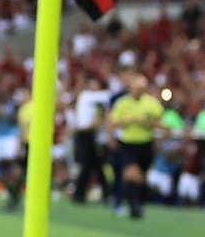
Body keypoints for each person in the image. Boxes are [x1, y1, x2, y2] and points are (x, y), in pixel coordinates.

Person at [107, 73, 163, 220]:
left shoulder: (151, 103)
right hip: (128, 143)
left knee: (141, 177)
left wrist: (147, 123)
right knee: (131, 173)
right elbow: (113, 122)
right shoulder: (122, 103)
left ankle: (138, 203)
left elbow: (161, 123)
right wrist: (127, 122)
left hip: (145, 142)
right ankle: (133, 206)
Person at [69, 73, 112, 203]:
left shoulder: (95, 98)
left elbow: (97, 119)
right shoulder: (87, 97)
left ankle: (85, 194)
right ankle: (82, 194)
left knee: (94, 165)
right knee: (90, 165)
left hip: (90, 135)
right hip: (84, 135)